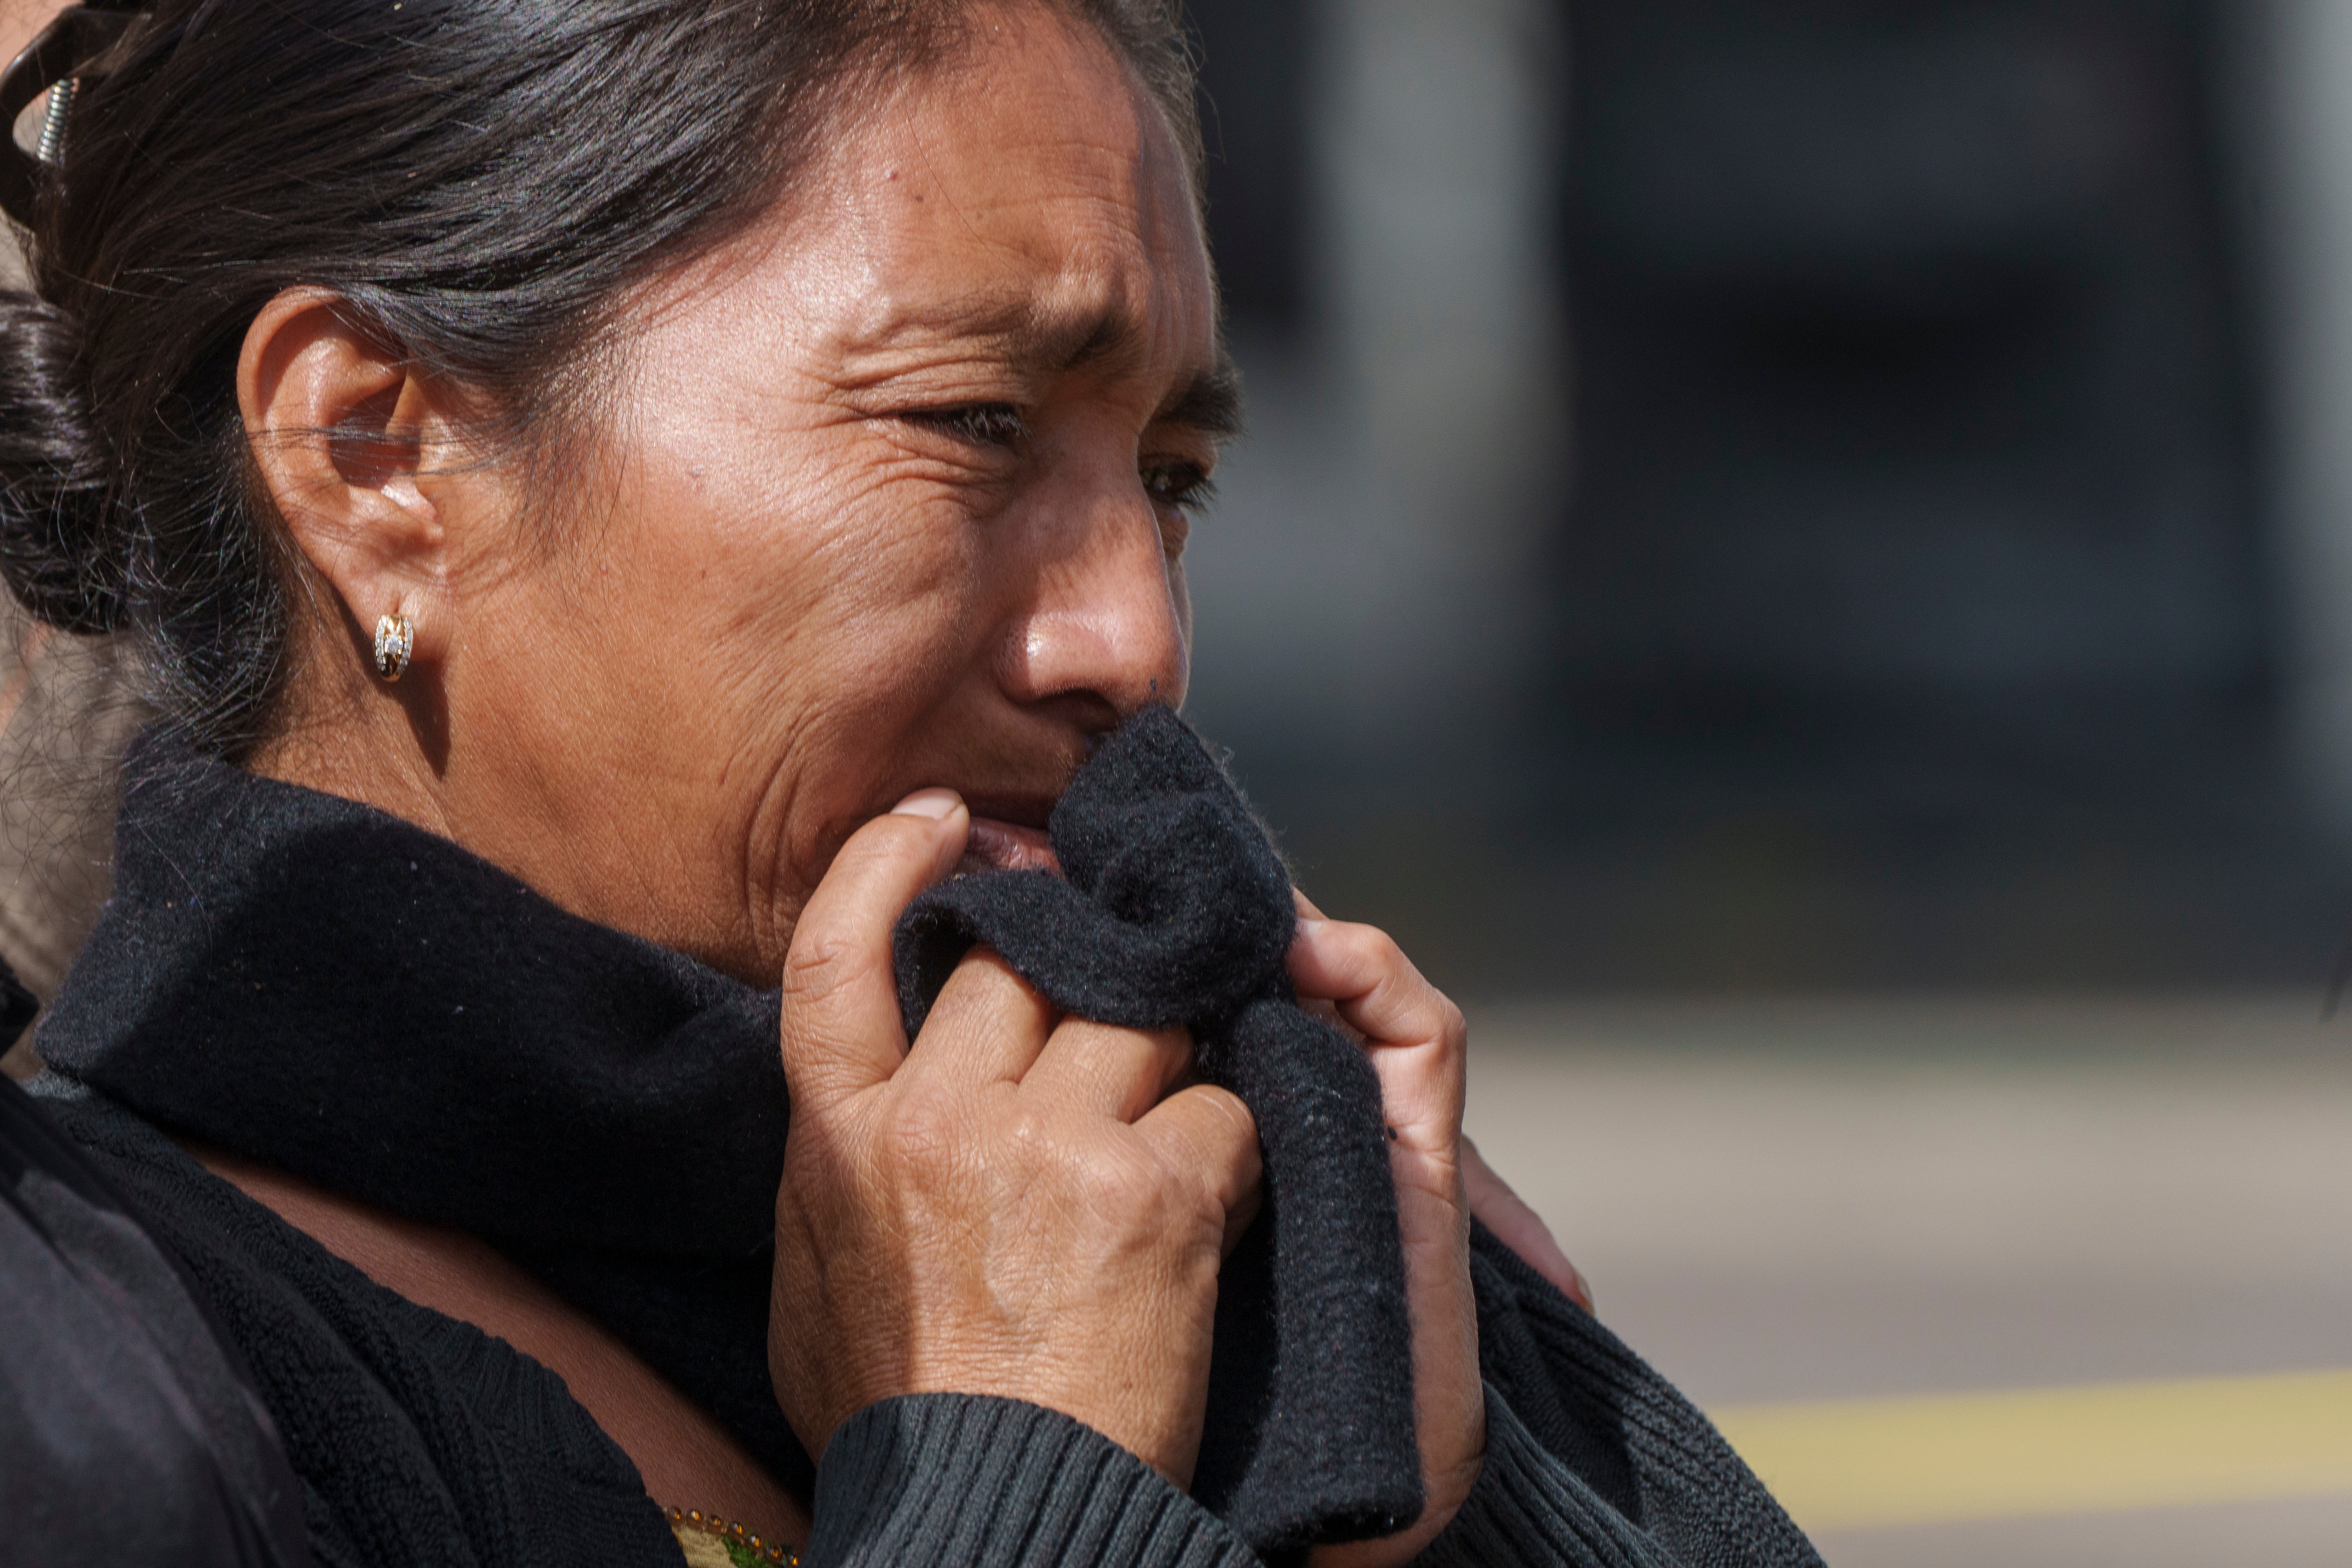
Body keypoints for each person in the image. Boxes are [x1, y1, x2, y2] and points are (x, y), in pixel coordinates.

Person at [0, 3, 1817, 1565]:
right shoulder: (95, 1381)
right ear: (373, 450)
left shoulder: (1193, 1227)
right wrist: (1022, 1468)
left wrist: (1438, 1475)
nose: (1134, 640)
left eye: (1169, 482)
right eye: (974, 425)